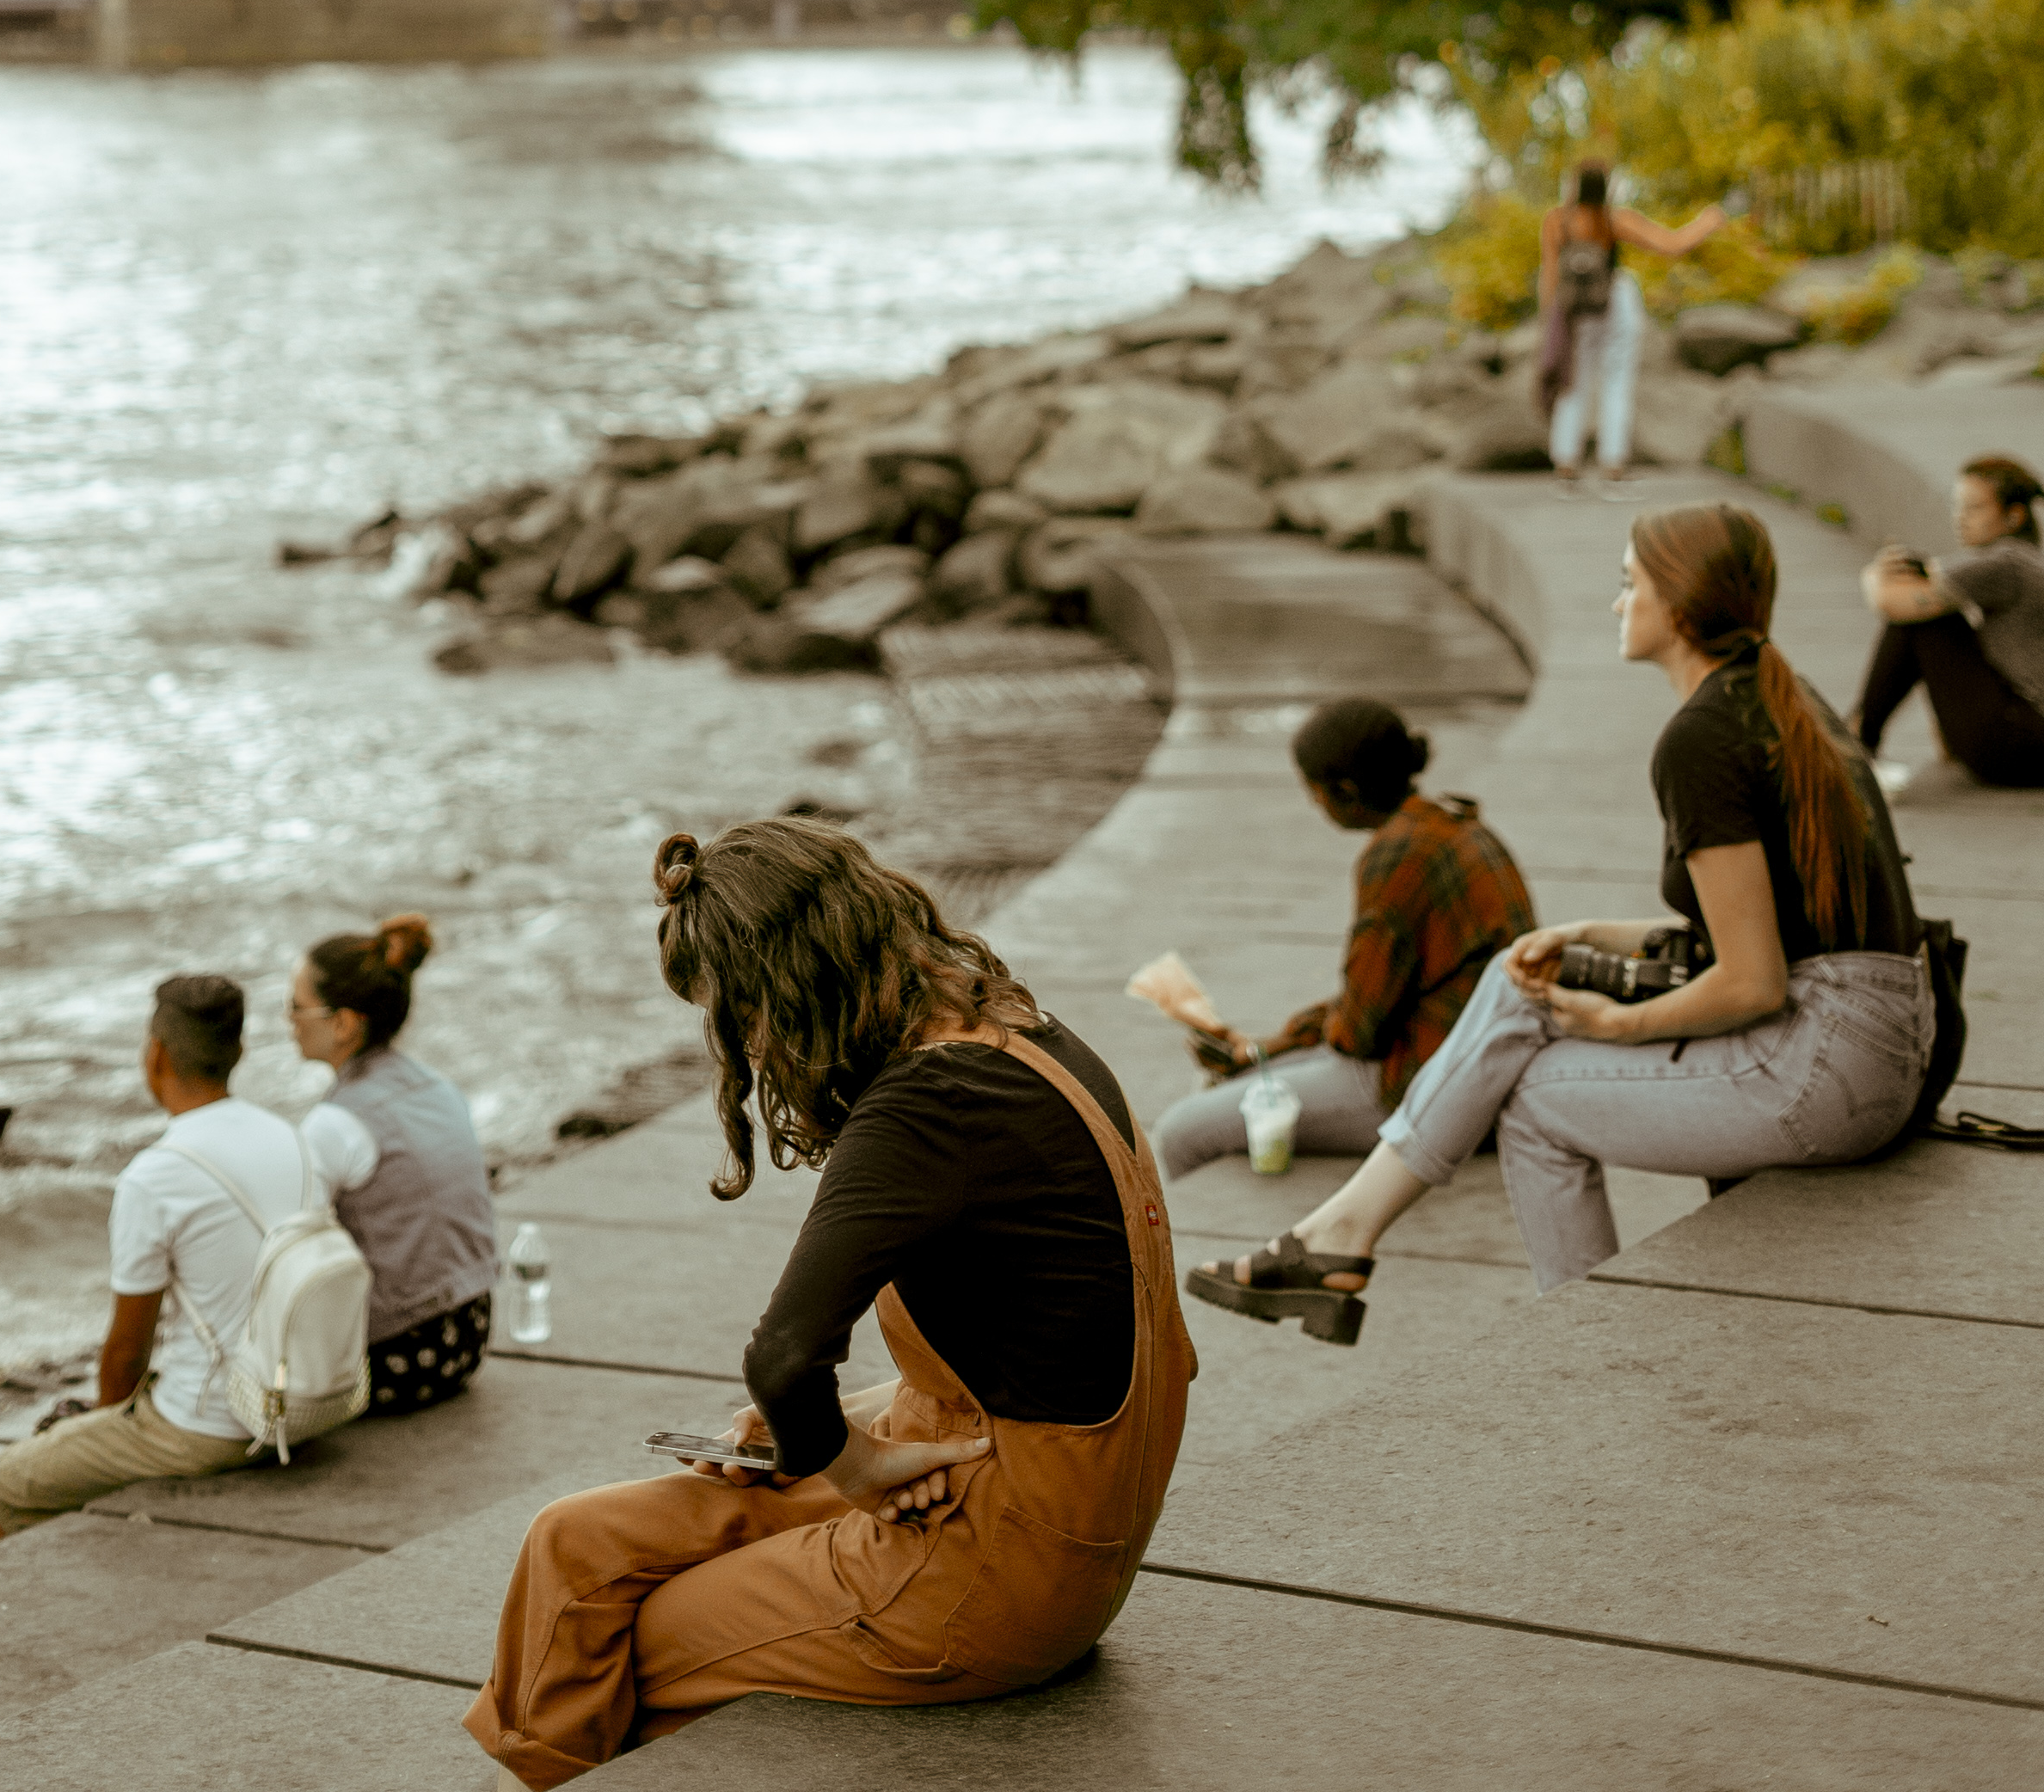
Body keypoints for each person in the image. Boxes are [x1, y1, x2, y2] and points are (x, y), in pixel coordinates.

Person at [463, 821, 1194, 1784]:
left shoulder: (925, 1109)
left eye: (738, 1016)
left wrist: (855, 1468)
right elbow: (1037, 1341)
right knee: (574, 1540)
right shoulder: (1021, 1037)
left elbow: (784, 1353)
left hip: (1000, 1574)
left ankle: (550, 1768)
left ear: (785, 990)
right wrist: (838, 1429)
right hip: (1026, 1497)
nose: (752, 1049)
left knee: (615, 1640)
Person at [1188, 503, 1930, 1331]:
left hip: (1829, 1067)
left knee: (1534, 1104)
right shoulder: (1778, 697)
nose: (1617, 604)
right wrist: (1582, 937)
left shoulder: (1701, 739)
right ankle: (1340, 1232)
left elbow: (1752, 981)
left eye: (1628, 585)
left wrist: (1617, 1027)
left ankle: (1572, 1337)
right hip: (1876, 1039)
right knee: (1521, 978)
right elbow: (1771, 933)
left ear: (1678, 607)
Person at [0, 971, 377, 1544]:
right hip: (308, 1400)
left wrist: (102, 1425)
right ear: (237, 1051)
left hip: (211, 1427)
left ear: (154, 1054)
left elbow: (127, 1350)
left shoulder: (156, 1175)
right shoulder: (294, 1137)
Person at [1151, 700, 1534, 1178]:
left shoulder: (1397, 857)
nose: (1315, 804)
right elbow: (1377, 1002)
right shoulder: (1455, 823)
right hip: (1476, 1058)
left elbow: (1359, 1033)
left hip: (1437, 1086)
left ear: (1346, 791)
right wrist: (1266, 1049)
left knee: (1181, 1132)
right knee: (1242, 1078)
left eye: (1315, 793)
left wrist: (1281, 1044)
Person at [287, 909, 500, 1411]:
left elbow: (288, 1240)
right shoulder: (434, 1086)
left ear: (342, 1024)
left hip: (399, 1356)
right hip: (470, 1333)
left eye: (295, 1006)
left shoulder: (337, 1123)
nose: (287, 1022)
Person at [1853, 453, 2044, 789]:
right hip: (2026, 742)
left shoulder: (2008, 562)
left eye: (1975, 508)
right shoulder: (2027, 562)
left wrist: (1874, 575)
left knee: (1929, 622)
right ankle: (1858, 737)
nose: (1961, 518)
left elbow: (1894, 605)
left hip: (2020, 744)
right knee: (1937, 615)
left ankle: (1858, 742)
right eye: (1958, 507)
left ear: (2014, 516)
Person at [1540, 160, 1726, 486]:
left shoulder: (1558, 222)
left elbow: (1550, 274)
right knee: (1617, 380)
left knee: (1574, 380)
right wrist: (1707, 222)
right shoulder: (1615, 220)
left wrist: (1549, 320)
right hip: (1615, 302)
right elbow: (1673, 244)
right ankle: (1613, 461)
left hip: (1576, 311)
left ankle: (1566, 459)